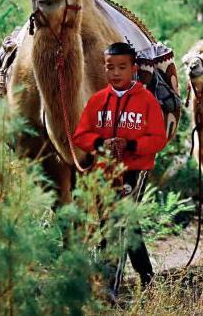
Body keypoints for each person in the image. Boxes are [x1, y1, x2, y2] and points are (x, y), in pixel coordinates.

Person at [73, 41, 167, 298]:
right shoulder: (97, 101)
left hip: (134, 171)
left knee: (116, 223)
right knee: (125, 224)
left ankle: (107, 286)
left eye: (122, 67)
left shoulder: (147, 101)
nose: (115, 73)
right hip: (105, 173)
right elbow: (80, 135)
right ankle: (147, 277)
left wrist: (132, 143)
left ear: (134, 68)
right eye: (110, 67)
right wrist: (101, 144)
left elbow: (159, 139)